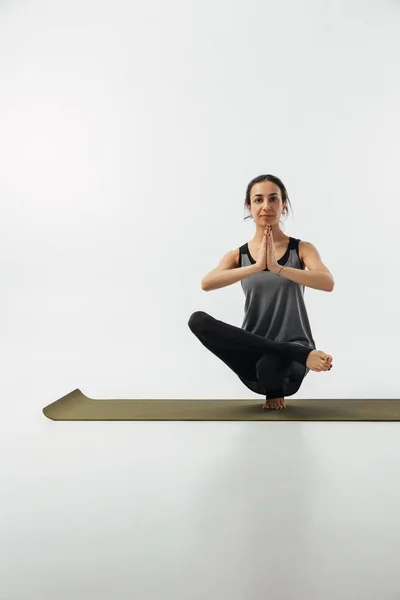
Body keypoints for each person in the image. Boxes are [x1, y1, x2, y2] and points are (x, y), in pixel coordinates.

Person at [188, 174, 335, 410]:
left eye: (273, 199)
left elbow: (327, 282)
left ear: (283, 205)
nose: (266, 206)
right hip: (252, 350)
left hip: (292, 356)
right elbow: (207, 283)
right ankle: (292, 355)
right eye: (258, 200)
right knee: (197, 320)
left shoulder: (302, 249)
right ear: (249, 206)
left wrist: (277, 268)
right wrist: (257, 267)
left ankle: (290, 357)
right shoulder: (238, 255)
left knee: (270, 364)